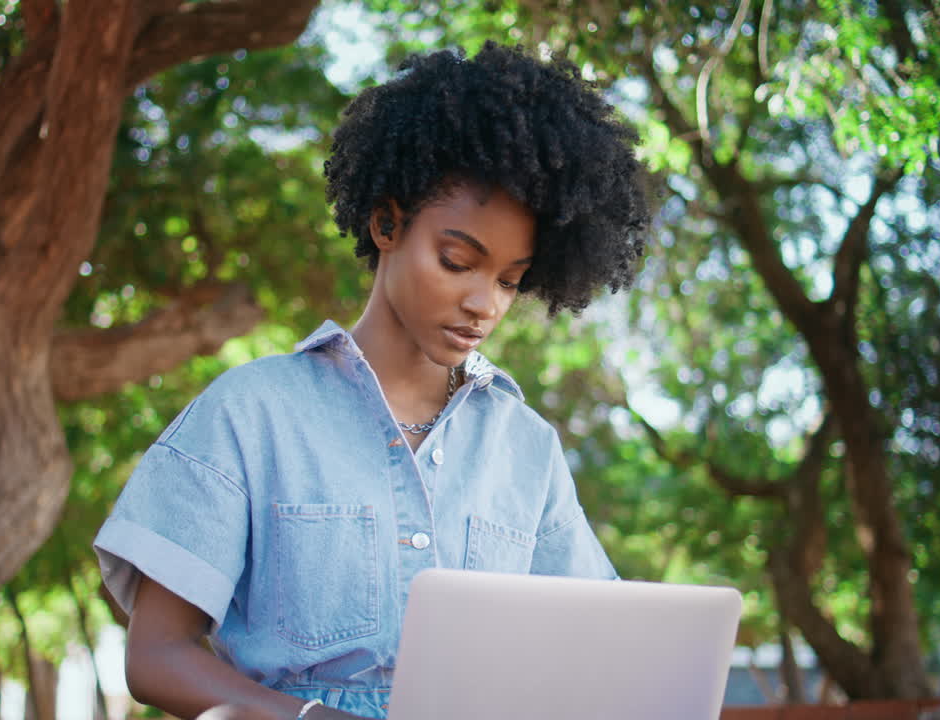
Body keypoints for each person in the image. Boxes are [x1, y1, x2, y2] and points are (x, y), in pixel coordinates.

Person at [93, 41, 650, 720]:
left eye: (510, 280)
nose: (486, 304)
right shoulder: (251, 412)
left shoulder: (526, 448)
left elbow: (598, 649)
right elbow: (156, 657)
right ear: (387, 223)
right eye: (456, 261)